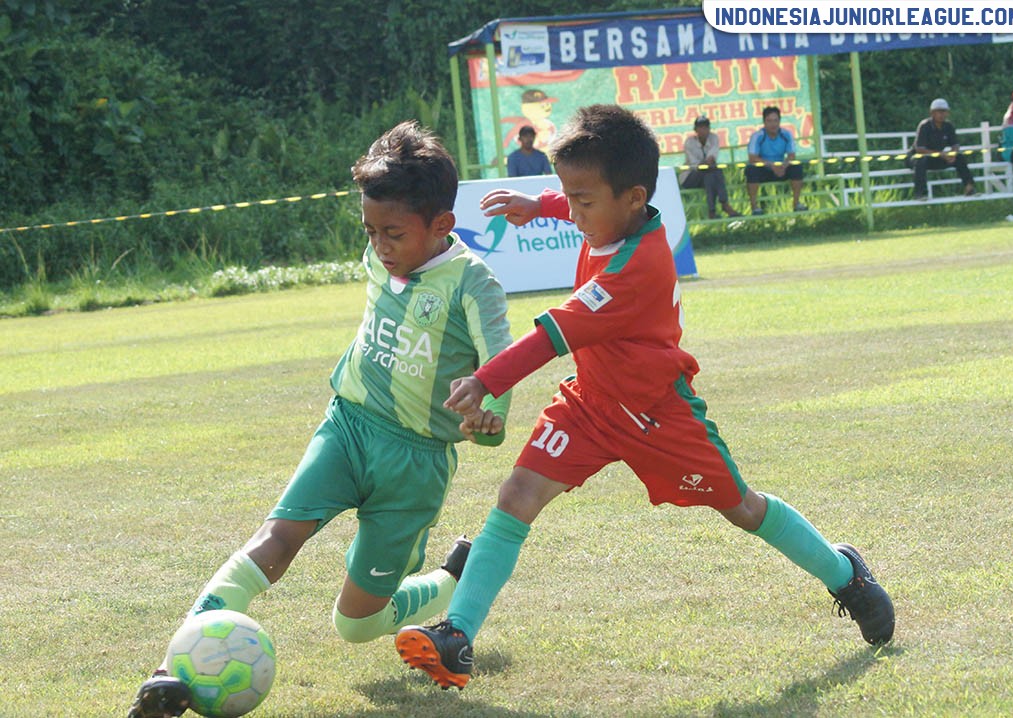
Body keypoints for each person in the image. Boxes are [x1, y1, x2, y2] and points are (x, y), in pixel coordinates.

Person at [394, 104, 895, 691]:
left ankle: (845, 575)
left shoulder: (636, 267)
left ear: (631, 198)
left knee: (743, 508)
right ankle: (457, 635)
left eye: (582, 201)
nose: (573, 211)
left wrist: (486, 380)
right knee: (518, 493)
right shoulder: (620, 216)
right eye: (567, 196)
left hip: (658, 415)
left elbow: (553, 335)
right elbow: (589, 206)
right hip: (589, 404)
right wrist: (543, 205)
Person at [126, 121, 514, 718]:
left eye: (393, 233)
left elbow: (501, 366)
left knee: (356, 624)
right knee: (277, 537)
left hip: (414, 463)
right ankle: (173, 666)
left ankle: (447, 579)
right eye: (370, 230)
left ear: (442, 226)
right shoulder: (377, 255)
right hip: (348, 426)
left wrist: (487, 418)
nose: (379, 244)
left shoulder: (475, 285)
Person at [905, 98, 977, 200]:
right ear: (932, 113)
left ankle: (969, 187)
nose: (942, 114)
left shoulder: (949, 126)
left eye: (944, 112)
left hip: (936, 158)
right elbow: (919, 149)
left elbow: (955, 144)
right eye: (939, 112)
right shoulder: (924, 126)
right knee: (921, 160)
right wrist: (941, 154)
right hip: (916, 158)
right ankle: (920, 194)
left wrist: (952, 154)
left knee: (960, 157)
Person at [745, 106, 806, 215]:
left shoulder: (786, 134)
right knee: (751, 170)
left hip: (781, 168)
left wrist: (784, 166)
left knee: (797, 167)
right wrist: (772, 166)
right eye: (769, 121)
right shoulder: (758, 136)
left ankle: (796, 203)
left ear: (779, 121)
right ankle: (754, 207)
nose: (773, 124)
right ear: (764, 122)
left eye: (775, 120)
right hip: (764, 169)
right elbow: (752, 158)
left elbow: (791, 155)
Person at [679, 115, 740, 219]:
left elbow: (712, 157)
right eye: (700, 127)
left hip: (706, 174)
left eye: (705, 127)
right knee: (712, 172)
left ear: (709, 128)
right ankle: (724, 204)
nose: (703, 130)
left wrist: (707, 163)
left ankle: (712, 211)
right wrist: (706, 163)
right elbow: (695, 165)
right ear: (695, 129)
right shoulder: (689, 142)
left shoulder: (714, 138)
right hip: (690, 177)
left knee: (709, 177)